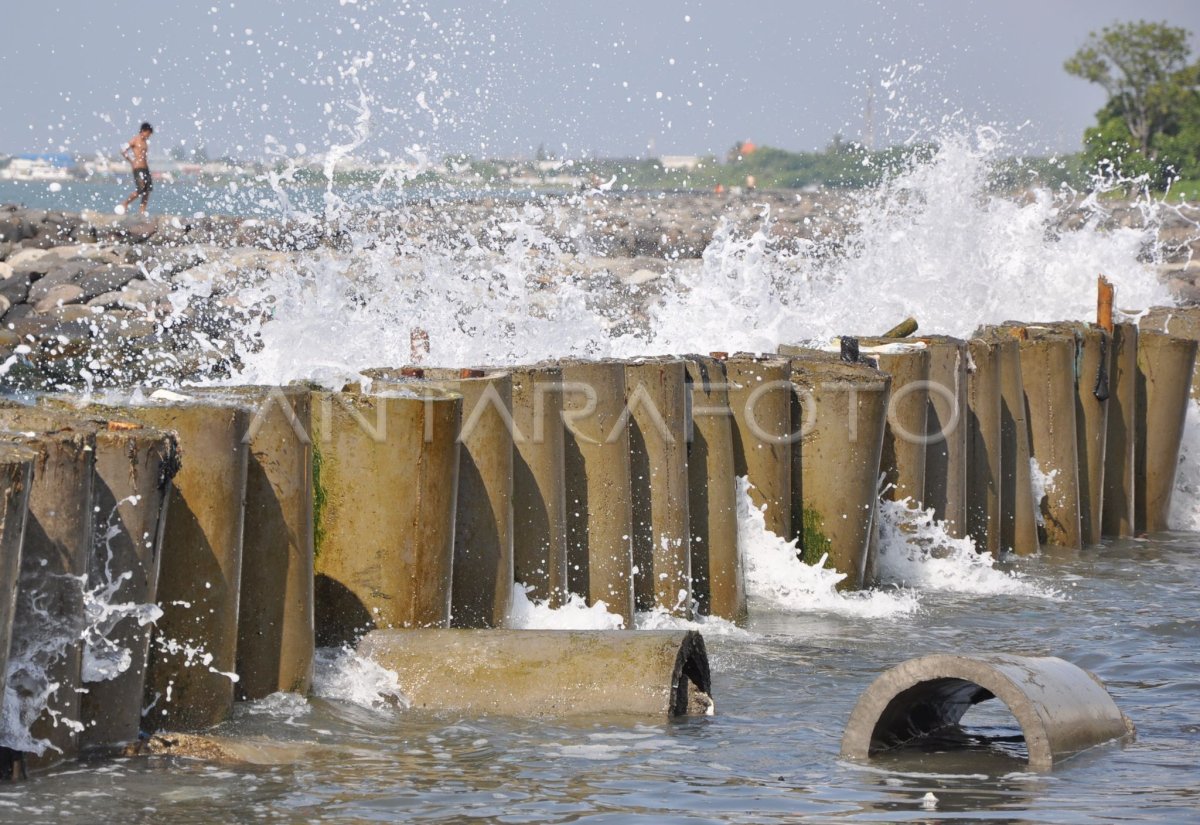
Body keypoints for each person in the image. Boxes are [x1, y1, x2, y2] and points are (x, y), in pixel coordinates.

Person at [118, 122, 154, 214]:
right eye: (148, 133)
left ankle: (142, 211)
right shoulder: (135, 140)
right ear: (143, 131)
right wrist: (131, 161)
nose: (149, 136)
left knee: (147, 191)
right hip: (138, 168)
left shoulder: (145, 142)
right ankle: (125, 203)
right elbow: (122, 150)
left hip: (145, 168)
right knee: (141, 189)